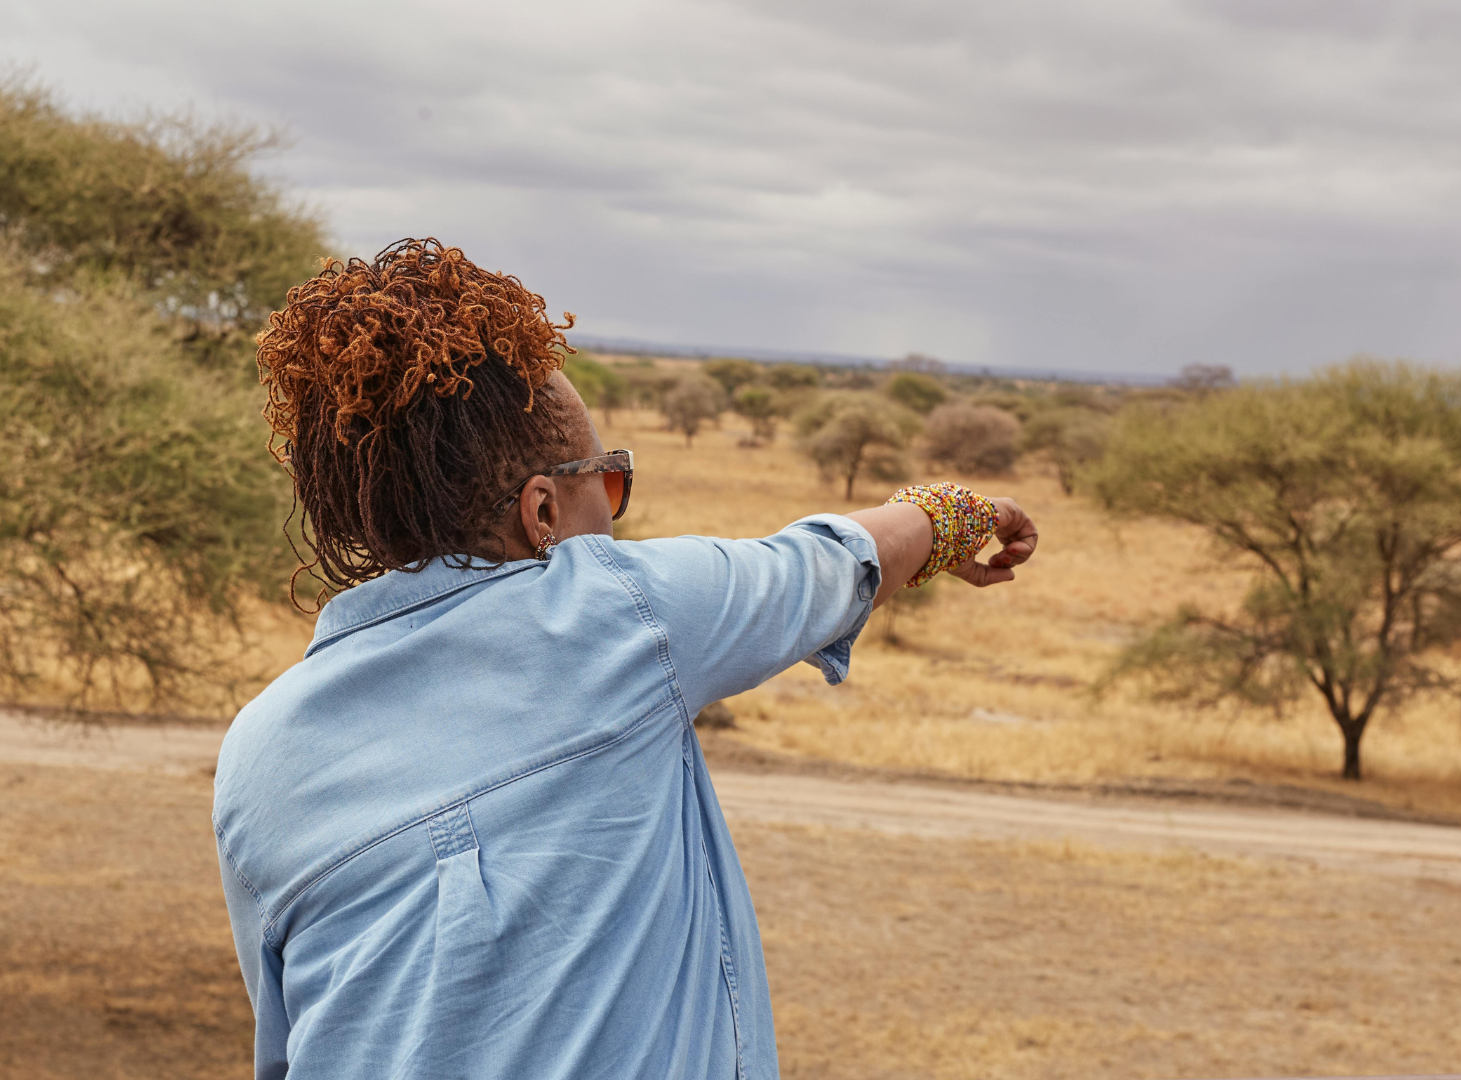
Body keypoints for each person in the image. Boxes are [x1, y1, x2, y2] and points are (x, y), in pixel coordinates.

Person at [213, 239, 1039, 1080]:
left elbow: (284, 1044)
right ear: (542, 511)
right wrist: (962, 515)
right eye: (605, 487)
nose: (614, 518)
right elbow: (827, 566)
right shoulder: (616, 615)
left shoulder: (256, 750)